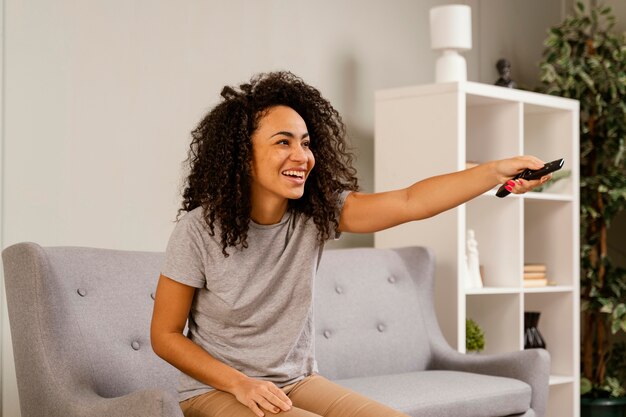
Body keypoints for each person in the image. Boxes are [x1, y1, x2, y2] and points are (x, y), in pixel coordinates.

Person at [150, 71, 551, 417]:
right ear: (243, 156)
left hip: (296, 382)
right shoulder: (198, 229)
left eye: (306, 143)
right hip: (216, 392)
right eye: (283, 142)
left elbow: (411, 202)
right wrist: (240, 384)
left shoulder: (316, 213)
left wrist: (495, 170)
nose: (302, 155)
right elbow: (165, 335)